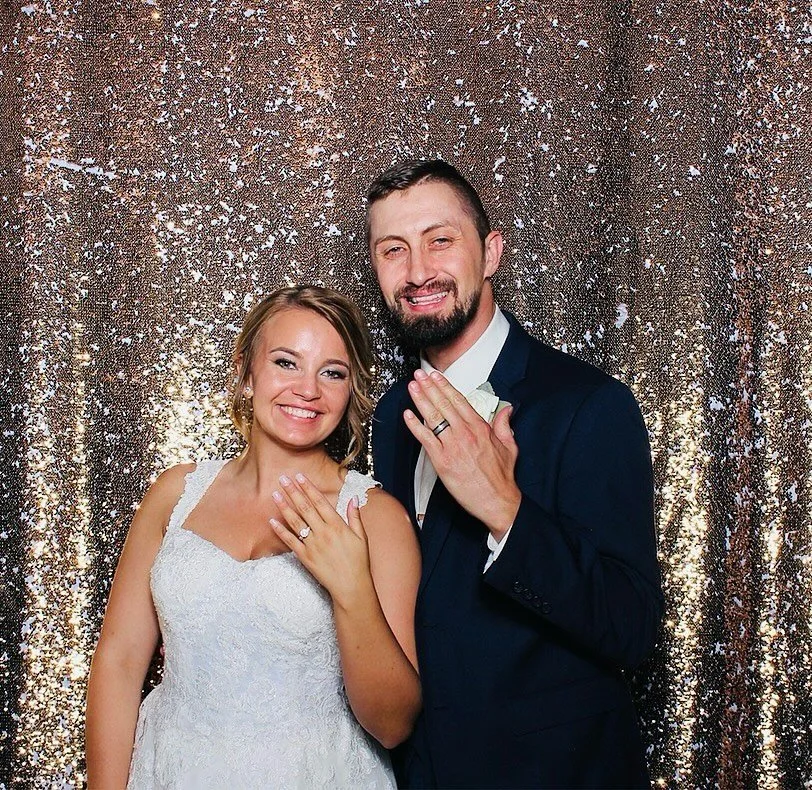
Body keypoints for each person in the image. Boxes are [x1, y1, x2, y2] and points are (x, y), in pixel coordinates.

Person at [367, 159, 663, 789]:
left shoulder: (587, 404)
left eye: (440, 241)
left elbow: (631, 626)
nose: (418, 272)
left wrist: (506, 508)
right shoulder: (392, 416)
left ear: (491, 251)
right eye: (394, 250)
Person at [85, 285, 421, 788]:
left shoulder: (374, 516)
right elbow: (119, 661)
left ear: (351, 390)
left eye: (332, 372)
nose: (309, 389)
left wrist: (351, 588)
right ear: (246, 371)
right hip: (172, 770)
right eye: (287, 362)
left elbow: (393, 726)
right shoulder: (175, 493)